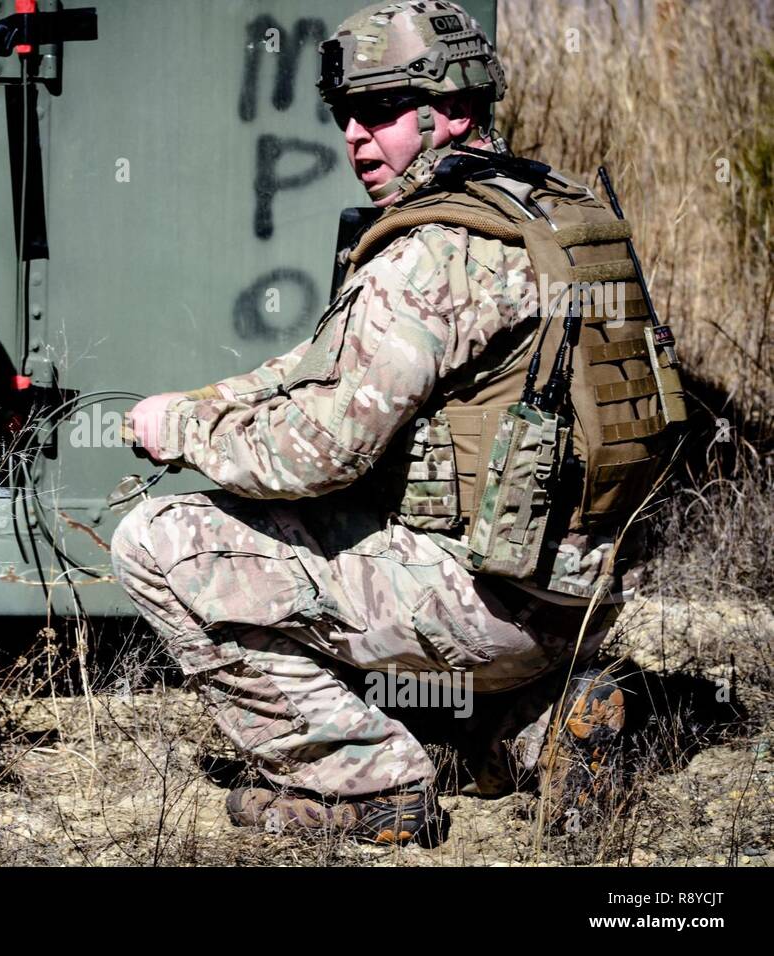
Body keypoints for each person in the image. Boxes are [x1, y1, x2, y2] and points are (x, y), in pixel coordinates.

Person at [113, 0, 685, 845]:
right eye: (345, 113)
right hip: (579, 596)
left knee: (159, 542)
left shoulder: (431, 251)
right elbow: (325, 371)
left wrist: (185, 436)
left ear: (450, 108)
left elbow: (318, 451)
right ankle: (535, 728)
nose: (354, 134)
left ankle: (370, 784)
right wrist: (208, 402)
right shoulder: (557, 214)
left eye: (380, 110)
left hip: (480, 602)